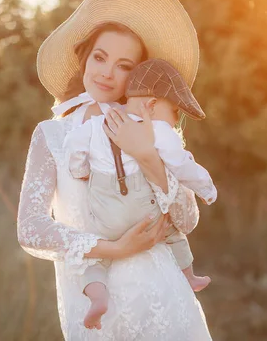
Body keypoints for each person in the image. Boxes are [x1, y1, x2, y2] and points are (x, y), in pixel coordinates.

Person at [17, 0, 212, 340]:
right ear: (85, 59)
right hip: (94, 300)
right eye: (100, 58)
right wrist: (114, 249)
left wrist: (149, 157)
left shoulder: (146, 127)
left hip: (162, 296)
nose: (107, 73)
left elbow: (186, 219)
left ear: (137, 77)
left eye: (124, 66)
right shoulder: (52, 134)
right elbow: (30, 229)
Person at [63, 58, 217, 329]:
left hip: (106, 212)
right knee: (173, 234)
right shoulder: (157, 129)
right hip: (144, 212)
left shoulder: (96, 124)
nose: (174, 122)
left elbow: (74, 149)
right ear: (152, 105)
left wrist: (81, 170)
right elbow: (182, 165)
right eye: (174, 113)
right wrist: (206, 188)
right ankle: (189, 276)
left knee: (94, 256)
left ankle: (98, 297)